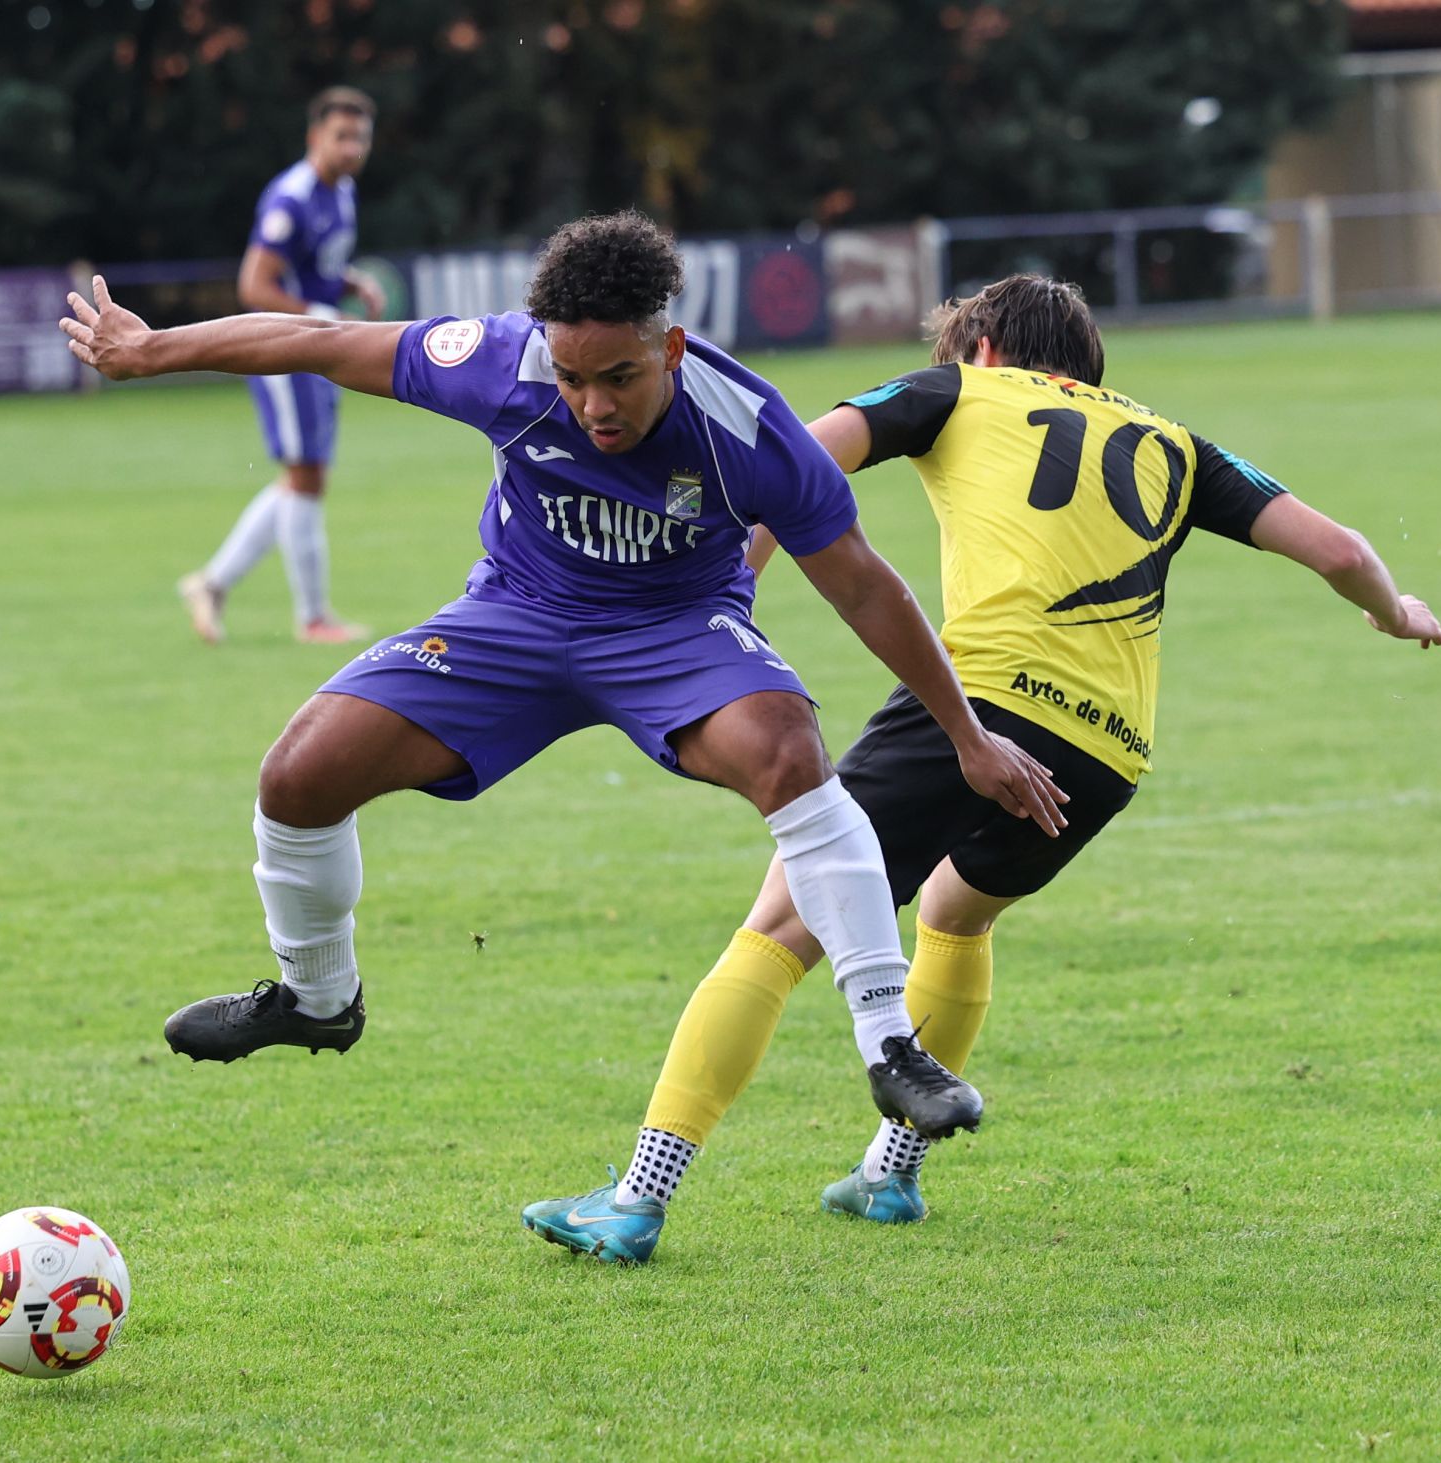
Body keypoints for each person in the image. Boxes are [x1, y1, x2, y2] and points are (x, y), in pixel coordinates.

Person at [63, 214, 1069, 1196]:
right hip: (517, 616)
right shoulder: (499, 361)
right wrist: (155, 350)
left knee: (787, 749)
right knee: (298, 774)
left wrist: (966, 737)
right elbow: (322, 341)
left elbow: (863, 586)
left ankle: (892, 1044)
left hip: (674, 630)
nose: (592, 403)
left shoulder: (748, 427)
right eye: (572, 376)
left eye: (619, 376)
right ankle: (317, 997)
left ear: (670, 346)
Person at [523, 273, 1441, 1262]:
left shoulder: (960, 393)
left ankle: (637, 1195)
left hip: (979, 707)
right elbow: (1341, 546)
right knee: (955, 912)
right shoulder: (1177, 444)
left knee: (783, 923)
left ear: (985, 349)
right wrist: (1393, 610)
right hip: (1107, 752)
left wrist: (724, 585)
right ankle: (890, 1173)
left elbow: (788, 460)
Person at [177, 86, 386, 646]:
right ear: (314, 137)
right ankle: (313, 618)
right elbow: (255, 285)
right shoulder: (290, 198)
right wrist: (319, 310)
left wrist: (350, 283)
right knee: (305, 477)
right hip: (285, 351)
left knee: (302, 478)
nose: (351, 148)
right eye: (341, 136)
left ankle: (212, 584)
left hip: (317, 346)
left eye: (360, 137)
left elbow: (314, 267)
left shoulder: (341, 192)